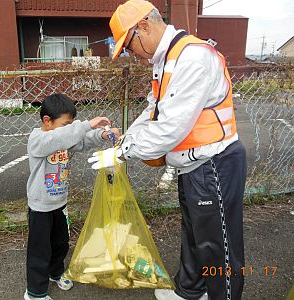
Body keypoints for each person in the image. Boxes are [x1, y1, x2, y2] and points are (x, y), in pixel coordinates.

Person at [88, 1, 247, 300]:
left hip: (215, 162)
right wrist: (126, 141)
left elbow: (169, 128)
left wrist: (123, 153)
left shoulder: (192, 57)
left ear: (144, 26)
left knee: (217, 247)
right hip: (194, 163)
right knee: (195, 234)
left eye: (129, 45)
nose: (131, 54)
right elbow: (154, 108)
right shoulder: (167, 58)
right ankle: (189, 291)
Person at [24, 93, 119, 300]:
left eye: (71, 125)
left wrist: (101, 135)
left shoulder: (64, 136)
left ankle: (55, 272)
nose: (70, 129)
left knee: (60, 243)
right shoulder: (38, 139)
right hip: (40, 206)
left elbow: (79, 140)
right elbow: (63, 137)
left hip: (59, 202)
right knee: (39, 250)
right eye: (66, 124)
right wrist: (86, 124)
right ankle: (35, 292)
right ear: (47, 121)